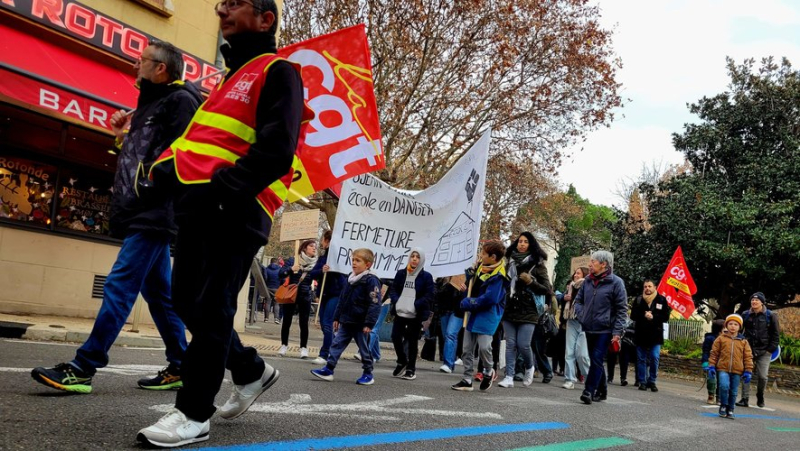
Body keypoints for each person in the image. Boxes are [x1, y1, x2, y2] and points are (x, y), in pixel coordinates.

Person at [137, 0, 313, 447]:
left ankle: (194, 413)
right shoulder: (227, 79)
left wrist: (222, 190)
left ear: (265, 19)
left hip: (235, 207)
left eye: (235, 5)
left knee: (212, 307)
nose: (222, 10)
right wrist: (161, 175)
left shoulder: (278, 71)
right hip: (200, 207)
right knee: (186, 303)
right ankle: (251, 369)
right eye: (221, 4)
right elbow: (200, 144)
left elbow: (277, 149)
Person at [31, 40, 201, 394]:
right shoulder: (150, 104)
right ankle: (181, 364)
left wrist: (152, 186)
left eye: (143, 60)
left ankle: (83, 367)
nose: (135, 65)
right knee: (159, 295)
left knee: (119, 286)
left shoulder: (181, 101)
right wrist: (122, 136)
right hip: (142, 208)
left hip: (156, 211)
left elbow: (179, 156)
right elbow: (141, 155)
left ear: (161, 69)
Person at [310, 248, 382, 384]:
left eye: (358, 261)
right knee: (336, 344)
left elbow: (375, 303)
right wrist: (337, 317)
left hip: (360, 323)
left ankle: (368, 373)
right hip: (347, 320)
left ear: (368, 264)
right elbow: (342, 299)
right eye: (353, 260)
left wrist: (369, 323)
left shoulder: (371, 280)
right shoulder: (350, 278)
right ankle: (329, 369)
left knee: (364, 349)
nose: (354, 263)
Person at [451, 241, 508, 392]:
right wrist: (467, 283)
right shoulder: (479, 269)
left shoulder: (499, 276)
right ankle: (467, 378)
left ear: (493, 257)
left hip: (487, 315)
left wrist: (468, 302)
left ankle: (489, 371)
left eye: (483, 253)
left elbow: (491, 299)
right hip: (474, 312)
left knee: (484, 347)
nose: (481, 256)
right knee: (466, 348)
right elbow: (472, 290)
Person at [574, 250, 628, 405]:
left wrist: (617, 332)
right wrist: (581, 314)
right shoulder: (588, 282)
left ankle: (588, 391)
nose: (589, 265)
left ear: (603, 264)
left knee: (597, 358)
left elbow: (621, 309)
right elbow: (578, 301)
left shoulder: (616, 282)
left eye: (593, 262)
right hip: (589, 327)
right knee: (595, 360)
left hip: (605, 329)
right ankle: (602, 390)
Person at [498, 232, 547, 388]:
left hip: (529, 310)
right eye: (520, 241)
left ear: (530, 244)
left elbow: (547, 289)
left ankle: (530, 367)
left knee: (524, 344)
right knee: (510, 344)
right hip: (510, 307)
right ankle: (509, 376)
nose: (522, 244)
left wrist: (531, 282)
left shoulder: (537, 265)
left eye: (525, 242)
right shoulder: (508, 263)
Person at [388, 248, 434, 380]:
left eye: (417, 257)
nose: (414, 259)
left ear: (422, 260)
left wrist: (415, 304)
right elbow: (394, 289)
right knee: (395, 337)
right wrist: (398, 301)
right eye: (412, 256)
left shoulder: (426, 277)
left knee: (412, 341)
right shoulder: (401, 274)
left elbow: (429, 295)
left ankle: (410, 369)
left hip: (415, 314)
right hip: (400, 312)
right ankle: (402, 360)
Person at [737, 292, 781, 408]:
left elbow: (776, 335)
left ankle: (760, 395)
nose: (754, 302)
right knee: (746, 373)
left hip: (764, 350)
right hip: (748, 349)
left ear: (762, 302)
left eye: (757, 300)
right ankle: (744, 398)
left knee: (763, 376)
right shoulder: (745, 314)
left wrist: (770, 349)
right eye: (752, 300)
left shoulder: (770, 315)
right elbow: (740, 330)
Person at [309, 230, 347, 365]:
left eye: (323, 240)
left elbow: (343, 278)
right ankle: (331, 349)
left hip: (335, 294)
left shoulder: (339, 258)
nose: (321, 242)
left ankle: (325, 353)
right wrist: (322, 271)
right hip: (324, 294)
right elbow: (312, 274)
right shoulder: (323, 258)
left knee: (327, 323)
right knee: (325, 324)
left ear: (328, 241)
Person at [708, 314, 754, 419]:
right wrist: (711, 366)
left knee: (733, 391)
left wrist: (748, 371)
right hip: (723, 368)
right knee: (724, 386)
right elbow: (714, 353)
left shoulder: (743, 342)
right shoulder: (720, 339)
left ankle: (731, 408)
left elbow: (748, 357)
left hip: (737, 370)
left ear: (740, 327)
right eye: (730, 324)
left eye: (736, 324)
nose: (733, 326)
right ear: (726, 325)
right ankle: (723, 405)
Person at [278, 239, 317, 358]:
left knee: (304, 322)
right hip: (291, 294)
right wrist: (291, 269)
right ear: (304, 248)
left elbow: (318, 277)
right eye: (311, 246)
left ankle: (303, 347)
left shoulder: (316, 263)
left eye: (315, 247)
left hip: (305, 295)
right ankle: (284, 345)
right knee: (287, 321)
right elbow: (280, 273)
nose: (314, 248)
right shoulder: (293, 259)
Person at [630, 279, 671, 392]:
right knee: (641, 359)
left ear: (654, 287)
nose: (647, 288)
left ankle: (652, 381)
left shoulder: (661, 300)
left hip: (655, 335)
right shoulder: (638, 300)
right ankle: (642, 382)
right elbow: (633, 315)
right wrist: (644, 315)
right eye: (645, 287)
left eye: (649, 286)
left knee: (654, 357)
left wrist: (653, 317)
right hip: (641, 334)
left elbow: (665, 316)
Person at [561, 266, 590, 390]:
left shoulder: (588, 285)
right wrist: (563, 297)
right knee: (569, 352)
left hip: (584, 323)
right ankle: (569, 379)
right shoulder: (570, 287)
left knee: (582, 354)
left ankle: (590, 377)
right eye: (575, 273)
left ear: (585, 275)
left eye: (578, 273)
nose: (575, 275)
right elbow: (562, 300)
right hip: (571, 321)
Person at [436, 276, 467, 373]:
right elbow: (436, 290)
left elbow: (473, 292)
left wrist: (465, 291)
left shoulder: (468, 274)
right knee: (447, 336)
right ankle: (450, 363)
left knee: (450, 335)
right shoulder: (444, 274)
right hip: (445, 308)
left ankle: (448, 364)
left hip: (457, 309)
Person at [606, 318, 636, 386]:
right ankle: (610, 377)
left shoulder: (630, 316)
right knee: (611, 357)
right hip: (614, 336)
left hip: (625, 340)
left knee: (624, 360)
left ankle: (623, 378)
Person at [702, 319, 725, 404]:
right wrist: (705, 362)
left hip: (722, 363)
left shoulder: (727, 338)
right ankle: (711, 394)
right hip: (711, 361)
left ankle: (719, 397)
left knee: (721, 380)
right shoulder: (709, 338)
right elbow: (705, 351)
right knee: (712, 379)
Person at [262, 257, 282, 323]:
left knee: (267, 303)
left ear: (270, 262)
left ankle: (266, 318)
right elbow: (283, 279)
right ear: (277, 262)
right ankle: (276, 318)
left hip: (268, 287)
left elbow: (265, 278)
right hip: (277, 288)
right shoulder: (280, 270)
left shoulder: (266, 269)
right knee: (276, 304)